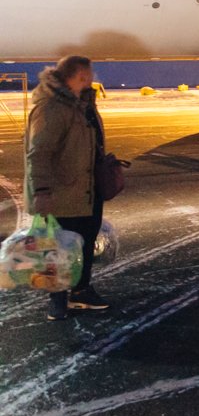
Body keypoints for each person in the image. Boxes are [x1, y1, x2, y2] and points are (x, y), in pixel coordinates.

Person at [24, 56, 112, 320]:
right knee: (59, 249)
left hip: (85, 191)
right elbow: (38, 154)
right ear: (79, 76)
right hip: (61, 195)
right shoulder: (52, 107)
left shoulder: (81, 103)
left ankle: (81, 291)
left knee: (83, 246)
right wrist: (41, 193)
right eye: (89, 73)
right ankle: (58, 300)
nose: (93, 77)